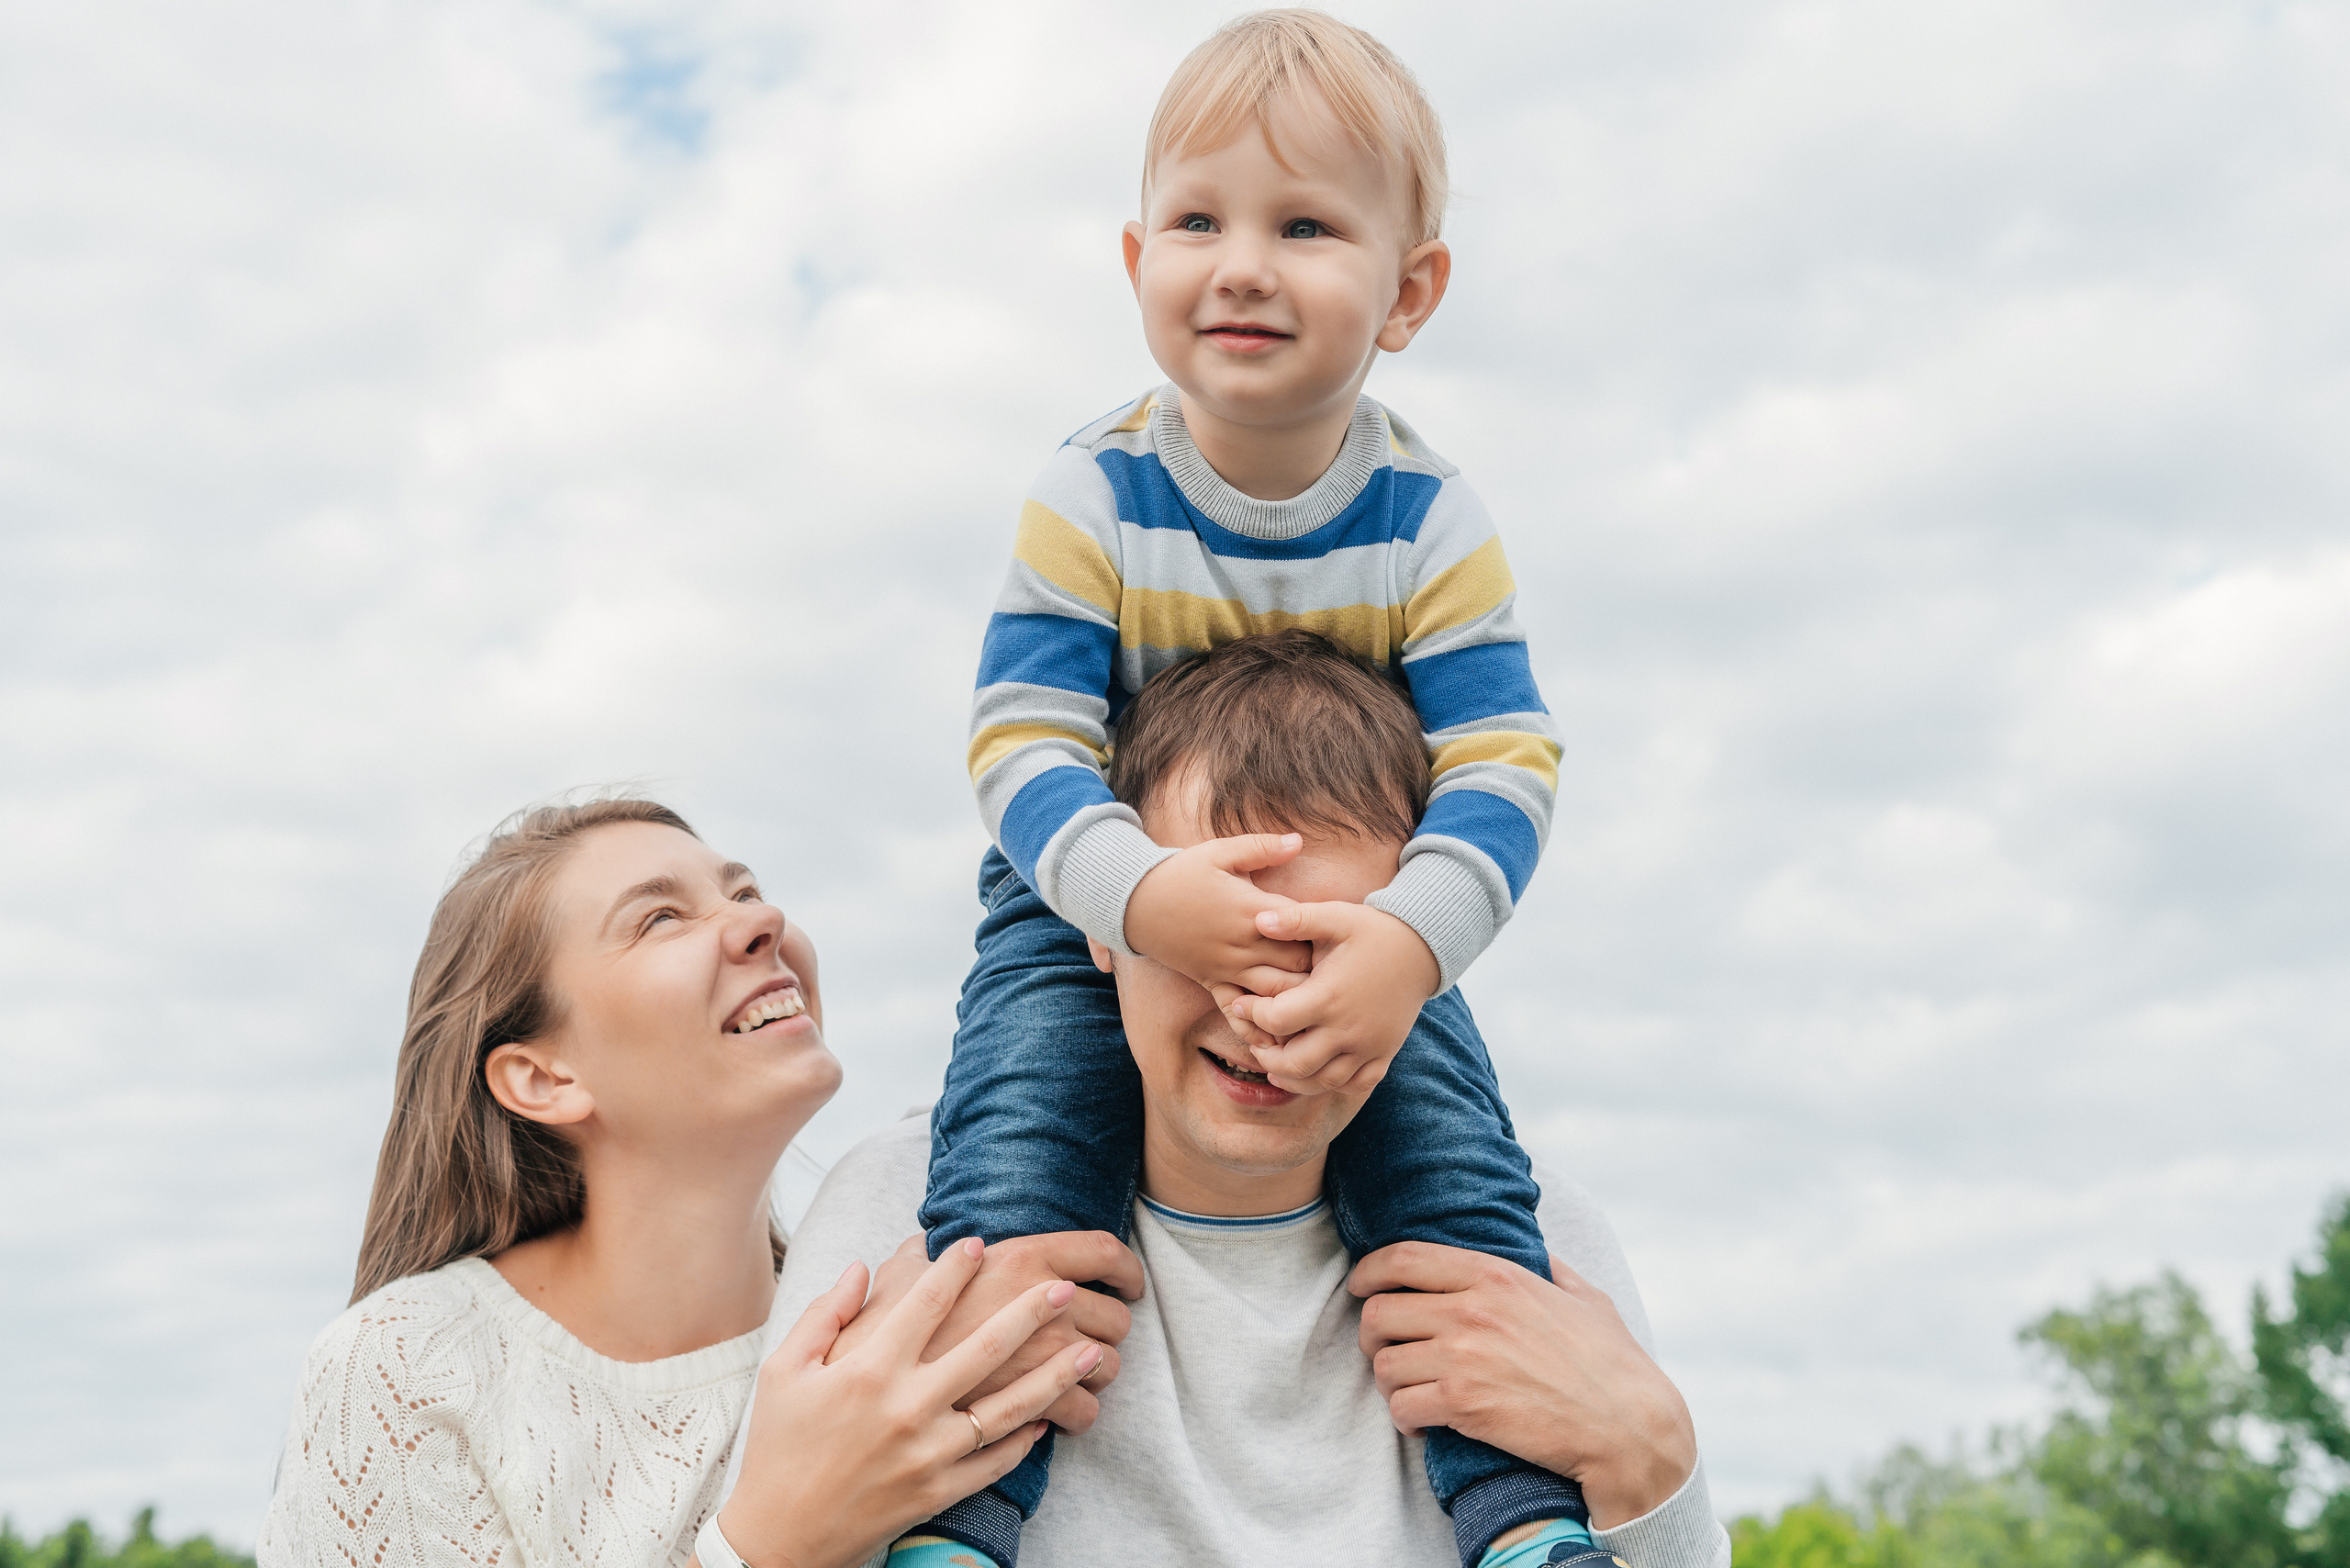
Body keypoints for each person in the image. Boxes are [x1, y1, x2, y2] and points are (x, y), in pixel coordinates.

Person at [928, 13, 1576, 1566]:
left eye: (1304, 227)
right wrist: (1139, 899)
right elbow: (1020, 738)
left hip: (1357, 916)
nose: (1243, 266)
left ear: (1409, 292)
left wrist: (1406, 946)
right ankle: (953, 1522)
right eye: (1199, 222)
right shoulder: (1094, 490)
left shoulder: (1430, 520)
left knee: (1459, 1184)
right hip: (1090, 895)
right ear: (1137, 257)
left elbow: (1505, 758)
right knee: (1015, 1168)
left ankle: (1522, 1519)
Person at [767, 636, 1732, 1568]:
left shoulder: (1543, 1246)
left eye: (1327, 949)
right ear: (1098, 923)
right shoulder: (900, 1213)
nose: (1267, 1006)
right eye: (1215, 938)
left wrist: (1654, 1464)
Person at [256, 799, 1137, 1568]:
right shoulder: (407, 1369)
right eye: (660, 919)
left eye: (745, 892)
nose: (764, 920)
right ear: (543, 1078)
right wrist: (773, 1541)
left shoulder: (911, 1311)